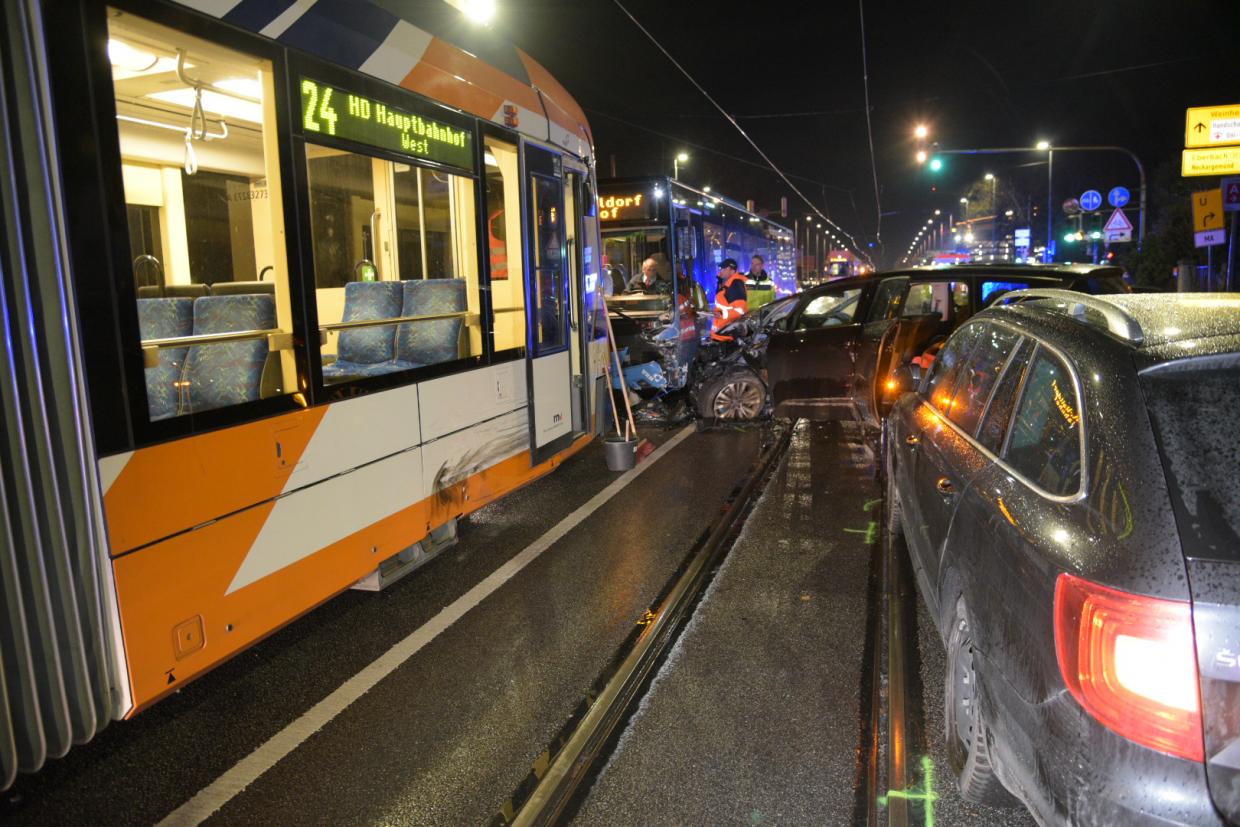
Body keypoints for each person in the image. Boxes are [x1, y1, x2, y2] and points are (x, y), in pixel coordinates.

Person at [710, 258, 748, 341]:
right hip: (722, 333)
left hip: (727, 336)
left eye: (724, 268)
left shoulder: (736, 284)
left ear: (732, 270)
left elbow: (739, 310)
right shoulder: (727, 283)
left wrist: (722, 314)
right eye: (721, 268)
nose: (721, 271)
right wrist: (719, 281)